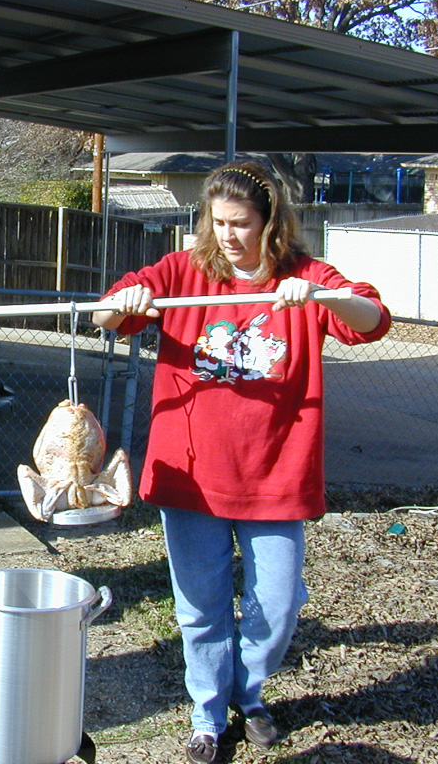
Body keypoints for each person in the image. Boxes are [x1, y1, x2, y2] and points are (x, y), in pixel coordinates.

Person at [93, 159, 391, 764]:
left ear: (270, 221)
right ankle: (207, 714)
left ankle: (246, 693)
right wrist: (127, 300)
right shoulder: (184, 272)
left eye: (241, 222)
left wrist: (324, 294)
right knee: (199, 607)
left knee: (276, 607)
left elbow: (373, 320)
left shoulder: (303, 276)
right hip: (192, 478)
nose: (227, 234)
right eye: (217, 221)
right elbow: (107, 316)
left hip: (276, 475)